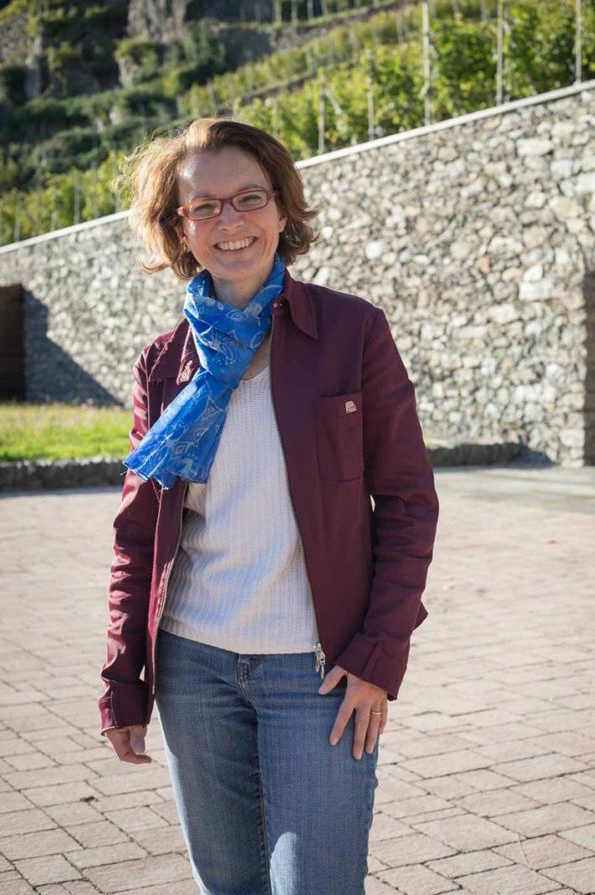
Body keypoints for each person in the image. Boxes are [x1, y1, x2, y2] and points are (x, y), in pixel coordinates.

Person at [97, 117, 439, 892]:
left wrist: (378, 658)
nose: (230, 222)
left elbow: (410, 503)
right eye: (204, 206)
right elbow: (137, 537)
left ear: (282, 209)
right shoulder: (163, 364)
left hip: (318, 673)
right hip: (192, 668)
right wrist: (125, 678)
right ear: (178, 228)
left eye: (248, 198)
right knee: (231, 886)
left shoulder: (352, 332)